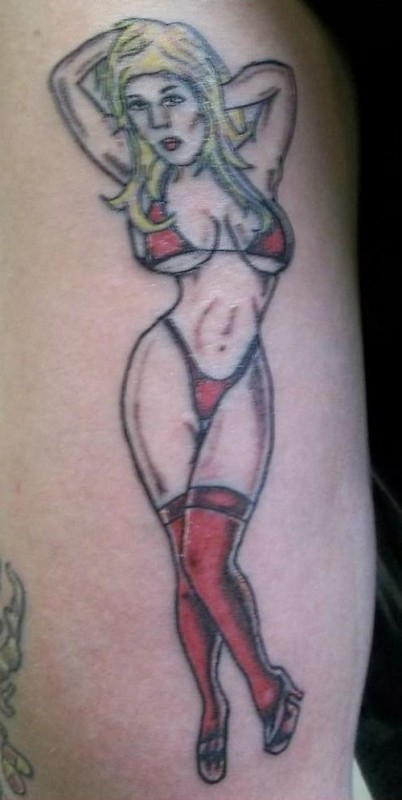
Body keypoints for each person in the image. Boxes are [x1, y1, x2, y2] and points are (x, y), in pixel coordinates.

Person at [50, 17, 302, 784]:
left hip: (241, 377)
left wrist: (186, 73)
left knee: (205, 556)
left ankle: (263, 683)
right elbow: (65, 83)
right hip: (164, 368)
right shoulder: (143, 176)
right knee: (186, 562)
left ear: (203, 97)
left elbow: (276, 81)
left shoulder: (255, 164)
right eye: (139, 106)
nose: (159, 121)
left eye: (174, 99)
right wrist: (127, 48)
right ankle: (214, 706)